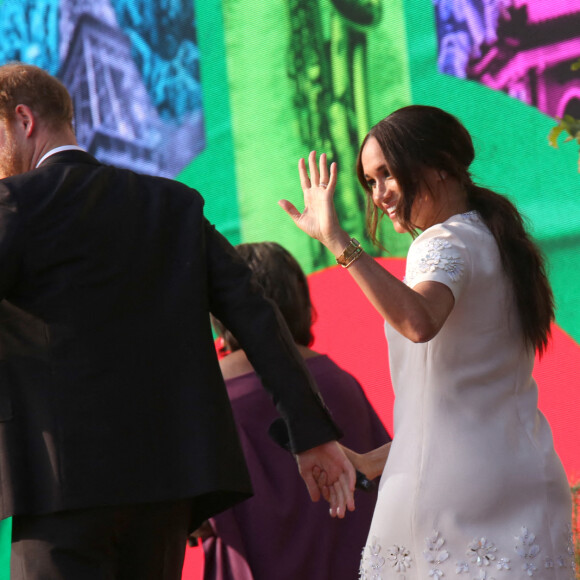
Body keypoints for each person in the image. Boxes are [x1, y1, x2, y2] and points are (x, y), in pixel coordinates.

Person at [0, 62, 356, 580]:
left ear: (24, 119)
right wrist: (309, 431)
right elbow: (255, 314)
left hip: (61, 490)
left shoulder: (14, 206)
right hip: (167, 492)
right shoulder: (174, 206)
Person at [279, 104, 575, 579]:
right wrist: (369, 462)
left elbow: (419, 321)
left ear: (438, 164)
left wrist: (338, 241)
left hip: (456, 501)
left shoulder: (440, 243)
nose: (379, 195)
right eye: (370, 182)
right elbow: (457, 412)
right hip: (526, 479)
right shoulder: (496, 240)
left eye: (386, 175)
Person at [195, 241, 391, 580]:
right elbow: (386, 485)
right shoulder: (341, 383)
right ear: (300, 299)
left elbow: (196, 521)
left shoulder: (210, 396)